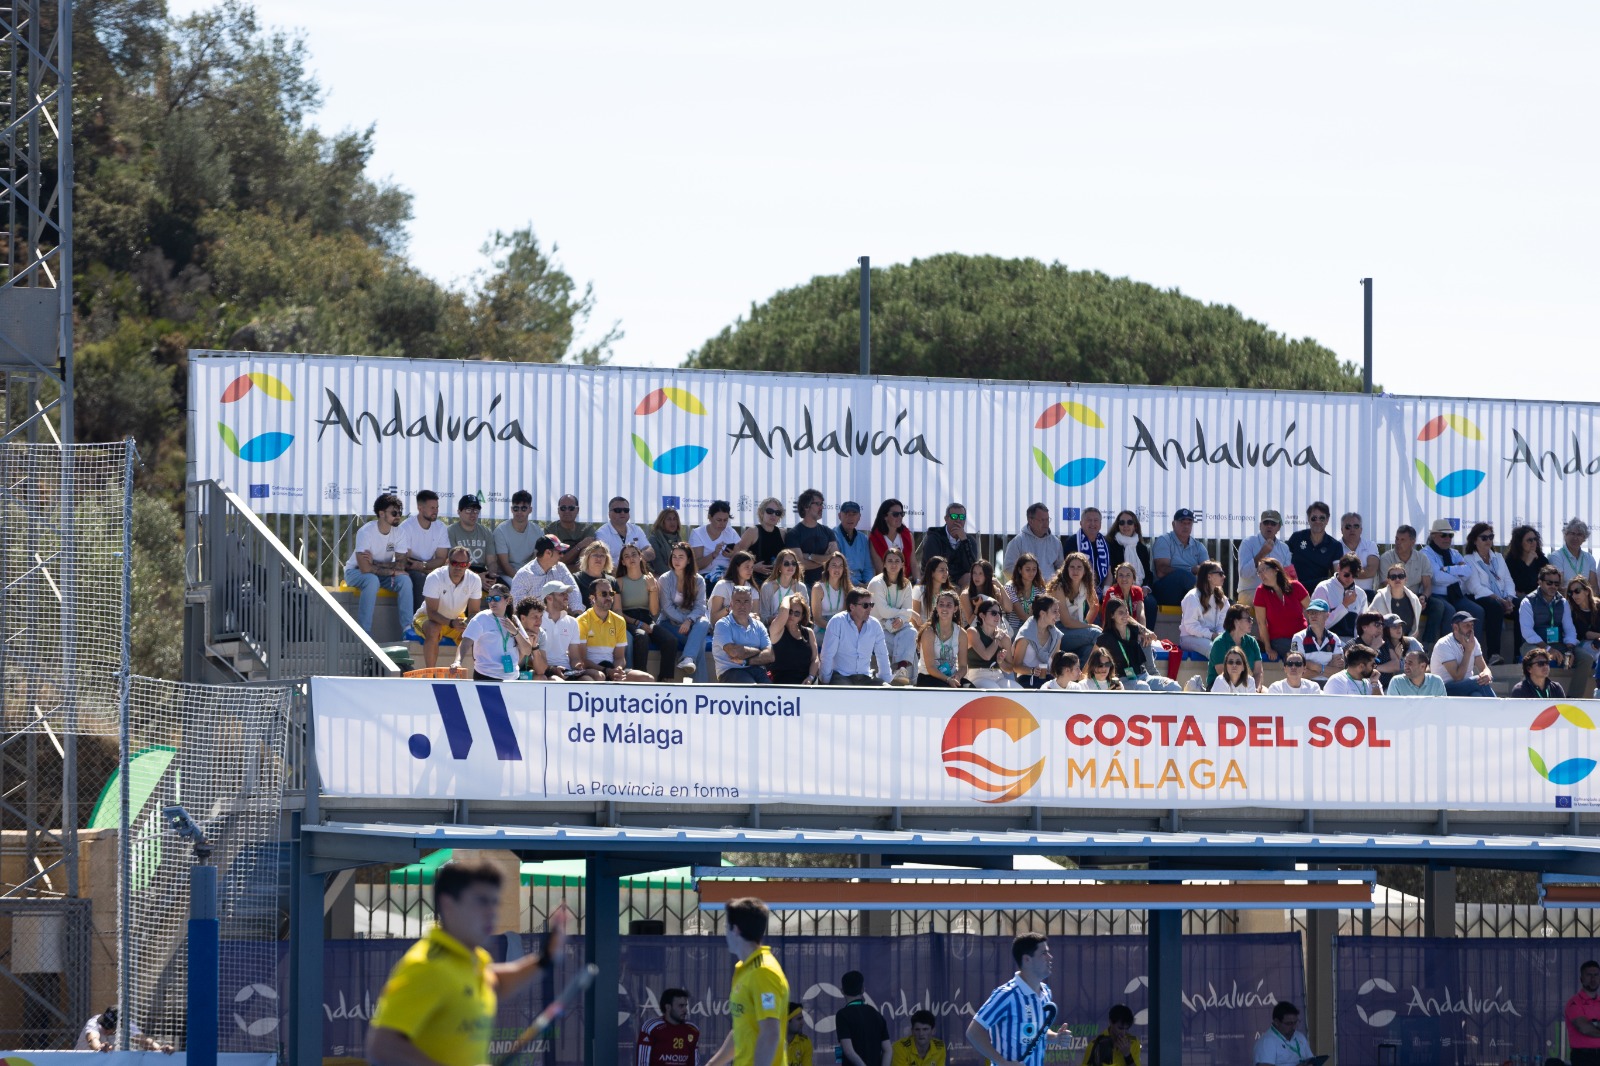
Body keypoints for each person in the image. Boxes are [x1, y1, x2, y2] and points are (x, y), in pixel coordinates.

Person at [367, 862, 563, 1066]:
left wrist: (545, 959)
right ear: (448, 905)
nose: (492, 912)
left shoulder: (472, 961)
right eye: (481, 901)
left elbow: (495, 984)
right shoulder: (425, 967)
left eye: (495, 902)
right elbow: (382, 1047)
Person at [705, 897, 788, 1066]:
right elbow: (743, 1030)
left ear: (735, 929)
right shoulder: (745, 970)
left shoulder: (763, 972)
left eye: (725, 928)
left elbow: (771, 1033)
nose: (725, 934)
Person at [966, 933, 1058, 1066]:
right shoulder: (1006, 995)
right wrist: (1001, 1062)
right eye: (1044, 953)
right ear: (1027, 959)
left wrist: (1055, 1037)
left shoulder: (1046, 992)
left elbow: (1036, 1030)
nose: (1050, 957)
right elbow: (973, 1032)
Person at [343, 493, 416, 636]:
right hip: (354, 572)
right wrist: (392, 570)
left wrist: (375, 563)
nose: (398, 516)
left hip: (378, 572)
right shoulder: (366, 532)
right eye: (394, 512)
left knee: (405, 580)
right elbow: (364, 568)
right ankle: (364, 632)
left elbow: (401, 565)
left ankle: (407, 629)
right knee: (371, 580)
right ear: (381, 513)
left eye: (399, 512)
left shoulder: (400, 532)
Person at [617, 543, 679, 681]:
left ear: (640, 557)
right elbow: (618, 612)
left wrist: (653, 589)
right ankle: (641, 678)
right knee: (641, 636)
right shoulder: (619, 582)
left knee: (670, 640)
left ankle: (665, 679)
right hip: (627, 619)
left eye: (634, 554)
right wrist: (637, 623)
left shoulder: (650, 580)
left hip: (646, 617)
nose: (631, 558)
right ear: (623, 562)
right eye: (626, 556)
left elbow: (654, 611)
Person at [1421, 520, 1487, 648]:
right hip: (1437, 595)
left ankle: (1473, 651)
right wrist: (1458, 575)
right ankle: (1448, 653)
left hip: (1456, 595)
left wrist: (1447, 569)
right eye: (1443, 535)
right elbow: (1437, 578)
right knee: (1450, 611)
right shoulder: (1426, 553)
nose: (1447, 539)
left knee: (1478, 611)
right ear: (1433, 536)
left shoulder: (1454, 553)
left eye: (1450, 535)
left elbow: (1468, 572)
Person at [412, 547, 483, 667]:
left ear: (468, 565)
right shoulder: (434, 577)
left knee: (474, 632)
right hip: (427, 617)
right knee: (434, 629)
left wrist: (466, 624)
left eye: (463, 564)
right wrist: (451, 623)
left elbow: (474, 612)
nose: (458, 567)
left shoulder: (475, 579)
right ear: (447, 562)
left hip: (456, 618)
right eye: (454, 563)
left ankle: (459, 666)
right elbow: (432, 613)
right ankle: (431, 674)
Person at [575, 579, 655, 682]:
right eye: (604, 594)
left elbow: (620, 658)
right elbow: (582, 660)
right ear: (592, 598)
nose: (609, 597)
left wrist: (618, 670)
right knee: (600, 676)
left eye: (611, 593)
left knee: (648, 679)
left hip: (611, 669)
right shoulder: (581, 621)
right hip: (591, 670)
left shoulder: (619, 621)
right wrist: (607, 671)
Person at [1378, 524, 1445, 646]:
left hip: (1415, 595)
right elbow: (1385, 585)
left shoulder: (1422, 558)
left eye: (1402, 540)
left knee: (1438, 606)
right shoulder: (1386, 558)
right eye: (1397, 539)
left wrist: (1424, 597)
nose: (1398, 543)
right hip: (1393, 595)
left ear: (1412, 542)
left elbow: (1428, 586)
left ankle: (1427, 645)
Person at [453, 583, 534, 682]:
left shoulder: (514, 620)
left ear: (507, 600)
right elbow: (465, 642)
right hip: (486, 676)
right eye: (489, 599)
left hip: (512, 678)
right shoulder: (481, 618)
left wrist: (515, 632)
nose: (492, 602)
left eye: (496, 598)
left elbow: (527, 651)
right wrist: (458, 661)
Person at [1097, 599, 1182, 692]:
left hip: (1143, 676)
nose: (1126, 615)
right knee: (1143, 688)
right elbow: (1093, 659)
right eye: (1121, 613)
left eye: (1126, 612)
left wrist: (1146, 633)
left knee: (1174, 686)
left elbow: (1152, 635)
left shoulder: (1135, 629)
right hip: (1123, 680)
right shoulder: (1105, 638)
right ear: (1112, 615)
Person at [1463, 522, 1518, 660]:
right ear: (1475, 541)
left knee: (1522, 605)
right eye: (1484, 538)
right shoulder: (1468, 559)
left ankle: (1519, 655)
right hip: (1479, 597)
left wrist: (1509, 600)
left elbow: (1508, 581)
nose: (1488, 540)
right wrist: (1501, 600)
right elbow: (1475, 587)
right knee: (1495, 607)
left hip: (1503, 597)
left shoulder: (1498, 557)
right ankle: (1494, 654)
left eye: (1491, 537)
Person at [660, 542, 711, 681]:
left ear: (688, 560)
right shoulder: (664, 579)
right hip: (668, 622)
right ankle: (702, 689)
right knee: (699, 642)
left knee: (704, 622)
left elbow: (700, 606)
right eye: (674, 556)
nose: (676, 560)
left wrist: (690, 621)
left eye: (681, 557)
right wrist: (686, 621)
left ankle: (688, 657)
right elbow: (667, 607)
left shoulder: (698, 580)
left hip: (690, 623)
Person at [870, 546, 920, 684]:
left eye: (897, 561)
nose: (893, 564)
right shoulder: (877, 583)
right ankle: (910, 679)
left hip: (898, 626)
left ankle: (902, 668)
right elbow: (884, 611)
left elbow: (907, 610)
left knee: (911, 632)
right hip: (879, 626)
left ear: (903, 564)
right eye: (890, 561)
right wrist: (906, 613)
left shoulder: (906, 584)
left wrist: (902, 618)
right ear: (884, 564)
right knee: (909, 646)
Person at [823, 587, 893, 686]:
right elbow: (827, 654)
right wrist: (825, 681)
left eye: (871, 605)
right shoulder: (837, 621)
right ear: (852, 607)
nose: (869, 609)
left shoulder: (875, 624)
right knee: (846, 694)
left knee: (888, 692)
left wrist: (886, 680)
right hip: (841, 676)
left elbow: (882, 654)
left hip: (866, 677)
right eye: (865, 605)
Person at [396, 490, 452, 607]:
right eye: (432, 508)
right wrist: (425, 567)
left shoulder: (441, 527)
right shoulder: (406, 527)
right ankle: (418, 621)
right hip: (410, 569)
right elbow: (407, 561)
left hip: (429, 567)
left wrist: (425, 566)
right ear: (420, 508)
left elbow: (442, 558)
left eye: (437, 507)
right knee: (420, 578)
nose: (436, 511)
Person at [1520, 564, 1578, 671]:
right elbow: (1527, 632)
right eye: (1549, 583)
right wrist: (1548, 649)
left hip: (1558, 644)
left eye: (1556, 584)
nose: (1553, 586)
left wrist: (1570, 650)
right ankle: (1536, 687)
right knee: (1540, 658)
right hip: (1534, 645)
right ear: (1540, 582)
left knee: (1585, 658)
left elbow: (1569, 629)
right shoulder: (1527, 602)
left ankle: (1575, 688)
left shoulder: (1563, 602)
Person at [714, 586, 775, 684]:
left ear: (751, 605)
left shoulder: (759, 625)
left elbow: (770, 656)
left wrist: (746, 661)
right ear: (731, 604)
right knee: (752, 690)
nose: (742, 605)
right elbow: (734, 652)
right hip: (731, 671)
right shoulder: (722, 624)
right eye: (738, 601)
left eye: (746, 601)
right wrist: (758, 651)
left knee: (771, 693)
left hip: (757, 669)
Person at [1047, 553, 1103, 657]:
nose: (1075, 571)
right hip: (1057, 632)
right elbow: (1067, 622)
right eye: (1072, 567)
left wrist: (1085, 623)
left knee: (1090, 648)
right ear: (1066, 569)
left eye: (1079, 567)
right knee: (1098, 635)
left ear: (1085, 571)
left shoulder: (1085, 585)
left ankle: (1082, 673)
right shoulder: (1058, 588)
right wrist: (1088, 626)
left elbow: (1094, 606)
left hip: (1076, 630)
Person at [1253, 559, 1309, 662]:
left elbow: (1312, 611)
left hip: (1302, 636)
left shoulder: (1296, 586)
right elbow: (1261, 623)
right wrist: (1268, 648)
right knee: (1297, 657)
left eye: (1264, 570)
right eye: (1259, 572)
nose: (1261, 574)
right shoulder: (1261, 592)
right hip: (1279, 640)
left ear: (1276, 570)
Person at [1430, 611, 1497, 697]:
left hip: (1467, 686)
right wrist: (1468, 651)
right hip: (1444, 688)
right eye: (1466, 625)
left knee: (1477, 696)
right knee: (1478, 681)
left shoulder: (1473, 641)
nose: (1471, 629)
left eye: (1472, 625)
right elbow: (1458, 677)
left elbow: (1484, 667)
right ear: (1455, 627)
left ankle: (1497, 708)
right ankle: (1499, 708)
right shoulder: (1444, 644)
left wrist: (1487, 674)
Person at [1150, 507, 1206, 608]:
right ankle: (1211, 600)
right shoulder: (1164, 540)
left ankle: (1218, 600)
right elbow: (1161, 571)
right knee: (1181, 575)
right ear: (1173, 524)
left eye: (1189, 523)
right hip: (1166, 592)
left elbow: (1207, 572)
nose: (1186, 526)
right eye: (1182, 522)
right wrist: (1191, 570)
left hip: (1189, 592)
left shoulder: (1199, 546)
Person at [539, 583, 595, 681]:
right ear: (549, 598)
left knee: (588, 680)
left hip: (566, 670)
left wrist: (577, 666)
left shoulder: (572, 622)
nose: (566, 597)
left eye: (566, 594)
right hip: (545, 670)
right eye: (562, 594)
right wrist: (552, 669)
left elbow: (574, 657)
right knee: (556, 680)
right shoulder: (537, 619)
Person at [836, 970, 891, 1066]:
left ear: (842, 991)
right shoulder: (876, 1014)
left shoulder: (842, 1015)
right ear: (863, 990)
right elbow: (888, 1050)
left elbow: (848, 1050)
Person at [917, 590, 970, 688]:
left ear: (955, 609)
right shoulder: (929, 632)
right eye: (941, 604)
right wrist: (948, 680)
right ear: (937, 607)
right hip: (928, 677)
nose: (944, 608)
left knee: (971, 689)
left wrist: (957, 676)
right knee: (948, 690)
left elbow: (963, 666)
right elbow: (930, 667)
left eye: (949, 605)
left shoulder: (961, 633)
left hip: (952, 677)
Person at [1237, 509, 1292, 601]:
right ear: (1260, 525)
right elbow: (1244, 574)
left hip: (1276, 593)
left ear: (1278, 527)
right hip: (1251, 592)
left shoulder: (1284, 548)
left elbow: (1287, 577)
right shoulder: (1248, 543)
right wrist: (1262, 553)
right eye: (1266, 523)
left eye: (1273, 523)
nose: (1269, 526)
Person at [1206, 604, 1265, 690]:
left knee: (1266, 694)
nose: (1251, 622)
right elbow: (1223, 674)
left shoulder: (1252, 642)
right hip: (1221, 688)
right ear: (1236, 621)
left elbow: (1258, 672)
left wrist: (1256, 690)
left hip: (1247, 686)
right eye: (1248, 619)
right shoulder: (1219, 643)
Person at [511, 535, 578, 610]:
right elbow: (518, 607)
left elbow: (574, 591)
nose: (562, 555)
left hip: (559, 618)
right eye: (560, 552)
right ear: (548, 553)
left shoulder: (561, 568)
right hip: (535, 620)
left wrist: (577, 612)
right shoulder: (523, 576)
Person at [638, 987, 702, 1066]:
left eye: (686, 1006)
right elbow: (643, 1062)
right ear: (668, 1007)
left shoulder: (692, 1030)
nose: (685, 1010)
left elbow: (695, 1063)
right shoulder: (652, 1027)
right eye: (681, 1006)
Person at [920, 503, 979, 588]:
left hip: (959, 578)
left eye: (962, 517)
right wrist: (952, 586)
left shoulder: (969, 541)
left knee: (970, 578)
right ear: (946, 519)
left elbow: (973, 568)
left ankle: (965, 600)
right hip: (936, 577)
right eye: (954, 516)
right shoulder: (934, 538)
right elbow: (933, 566)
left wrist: (964, 542)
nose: (958, 520)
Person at [785, 488, 837, 584]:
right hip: (803, 586)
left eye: (822, 504)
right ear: (806, 506)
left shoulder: (828, 532)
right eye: (817, 504)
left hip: (826, 584)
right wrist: (826, 559)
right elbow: (801, 565)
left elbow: (836, 561)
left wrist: (809, 556)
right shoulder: (793, 534)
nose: (821, 508)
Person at [1312, 553, 1368, 640]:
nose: (1350, 579)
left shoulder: (1361, 594)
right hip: (1326, 642)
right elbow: (1318, 625)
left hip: (1352, 644)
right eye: (1346, 574)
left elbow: (1362, 627)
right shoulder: (1323, 588)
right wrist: (1344, 605)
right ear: (1338, 568)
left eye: (1354, 575)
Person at [768, 593, 820, 685]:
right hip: (782, 685)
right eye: (790, 611)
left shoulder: (808, 632)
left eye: (797, 613)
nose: (792, 615)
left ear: (802, 617)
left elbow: (815, 658)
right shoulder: (777, 630)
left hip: (806, 684)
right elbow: (783, 610)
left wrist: (810, 677)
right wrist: (788, 597)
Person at [1179, 560, 1229, 656]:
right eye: (1220, 573)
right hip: (1190, 638)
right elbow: (1191, 626)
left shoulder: (1223, 599)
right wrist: (1212, 635)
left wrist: (1220, 636)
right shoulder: (1192, 597)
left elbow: (1222, 624)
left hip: (1211, 638)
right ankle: (1221, 671)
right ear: (1209, 576)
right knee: (1214, 650)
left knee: (1233, 650)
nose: (1224, 576)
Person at [1013, 596, 1064, 689]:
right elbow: (1016, 666)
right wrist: (1032, 671)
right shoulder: (1025, 635)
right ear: (1042, 613)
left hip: (1049, 679)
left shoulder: (1056, 635)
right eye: (1055, 611)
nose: (1058, 615)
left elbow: (1055, 664)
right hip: (1027, 679)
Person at [1287, 502, 1341, 589]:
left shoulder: (1335, 546)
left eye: (1322, 518)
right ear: (1308, 519)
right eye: (1314, 518)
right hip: (1295, 589)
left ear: (1327, 520)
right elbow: (1285, 564)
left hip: (1319, 591)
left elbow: (1337, 574)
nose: (1318, 521)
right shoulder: (1296, 537)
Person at [1290, 600, 1344, 684]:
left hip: (1329, 684)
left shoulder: (1334, 638)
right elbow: (1297, 671)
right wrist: (1326, 668)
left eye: (1317, 612)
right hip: (1305, 685)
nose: (1313, 615)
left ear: (1327, 615)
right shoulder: (1298, 637)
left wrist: (1313, 666)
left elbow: (1339, 671)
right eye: (1310, 612)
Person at [1005, 503, 1064, 580]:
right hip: (1026, 590)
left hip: (1050, 590)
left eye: (1047, 519)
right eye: (1042, 520)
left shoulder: (1056, 542)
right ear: (1030, 520)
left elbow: (1061, 569)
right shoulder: (1018, 542)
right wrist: (1025, 584)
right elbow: (1008, 568)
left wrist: (1054, 584)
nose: (1046, 523)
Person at [77, 1006, 172, 1053]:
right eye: (104, 1024)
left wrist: (159, 1048)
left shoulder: (127, 1025)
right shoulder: (93, 1022)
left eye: (109, 1027)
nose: (105, 1029)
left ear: (120, 1026)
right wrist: (99, 1047)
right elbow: (92, 1039)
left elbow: (144, 1041)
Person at [968, 597, 1017, 688]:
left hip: (998, 676)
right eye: (994, 613)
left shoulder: (1005, 638)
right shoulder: (973, 632)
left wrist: (1001, 662)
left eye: (1000, 614)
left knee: (1018, 692)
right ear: (982, 615)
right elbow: (986, 656)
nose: (998, 616)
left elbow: (1010, 669)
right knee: (995, 691)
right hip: (977, 676)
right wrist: (997, 639)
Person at [692, 500, 742, 586]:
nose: (722, 523)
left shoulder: (731, 532)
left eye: (725, 520)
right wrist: (714, 554)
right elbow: (696, 565)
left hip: (728, 574)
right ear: (710, 517)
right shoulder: (698, 533)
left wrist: (732, 556)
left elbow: (741, 558)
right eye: (719, 520)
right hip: (706, 576)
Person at [1370, 565, 1425, 644]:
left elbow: (1415, 628)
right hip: (1385, 642)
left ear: (1405, 579)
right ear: (1388, 580)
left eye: (1401, 576)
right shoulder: (1379, 598)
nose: (1397, 579)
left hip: (1408, 641)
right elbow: (1371, 622)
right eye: (1393, 577)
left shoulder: (1414, 599)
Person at [447, 494, 497, 579]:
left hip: (482, 572)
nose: (473, 514)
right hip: (459, 571)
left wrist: (491, 576)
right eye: (468, 510)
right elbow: (453, 562)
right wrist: (477, 578)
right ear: (459, 512)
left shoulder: (486, 532)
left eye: (476, 510)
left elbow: (491, 561)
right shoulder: (450, 531)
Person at [1107, 511, 1153, 603]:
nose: (1125, 525)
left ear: (1135, 526)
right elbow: (1110, 572)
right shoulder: (1110, 545)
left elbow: (1148, 573)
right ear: (1118, 526)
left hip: (1139, 588)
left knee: (1150, 603)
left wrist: (1146, 588)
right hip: (1117, 588)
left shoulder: (1142, 548)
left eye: (1129, 522)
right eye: (1122, 522)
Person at [597, 496, 656, 568]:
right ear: (609, 514)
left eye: (626, 510)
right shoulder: (602, 533)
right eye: (618, 510)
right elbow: (601, 561)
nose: (622, 513)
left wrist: (638, 558)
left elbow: (650, 551)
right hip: (613, 575)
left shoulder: (636, 529)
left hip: (637, 572)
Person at [737, 496, 788, 579]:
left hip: (776, 580)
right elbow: (737, 557)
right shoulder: (752, 532)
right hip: (754, 580)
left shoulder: (782, 533)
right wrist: (753, 567)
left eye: (777, 513)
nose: (773, 515)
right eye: (770, 511)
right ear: (761, 512)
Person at [495, 490, 543, 576]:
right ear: (511, 510)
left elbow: (539, 560)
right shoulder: (501, 531)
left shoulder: (538, 531)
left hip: (531, 575)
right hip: (506, 575)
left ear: (530, 510)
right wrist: (522, 581)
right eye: (516, 508)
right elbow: (504, 565)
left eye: (524, 508)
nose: (519, 512)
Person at [1252, 1001, 1314, 1066]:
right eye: (1289, 1023)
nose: (1294, 1027)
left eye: (1295, 1022)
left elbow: (1311, 1060)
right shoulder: (1267, 1042)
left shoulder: (1300, 1037)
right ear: (1276, 1022)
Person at [546, 493, 598, 569]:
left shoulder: (587, 529)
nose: (567, 511)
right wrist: (579, 546)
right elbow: (555, 562)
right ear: (558, 510)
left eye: (571, 508)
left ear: (577, 510)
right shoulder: (550, 530)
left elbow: (586, 561)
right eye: (563, 508)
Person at [811, 551, 853, 646]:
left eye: (840, 566)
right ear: (828, 568)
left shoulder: (847, 588)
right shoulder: (818, 588)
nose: (837, 569)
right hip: (822, 629)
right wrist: (835, 629)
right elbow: (817, 619)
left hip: (842, 629)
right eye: (834, 565)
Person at [1568, 577, 1600, 698]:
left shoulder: (1598, 605)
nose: (1574, 595)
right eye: (1571, 592)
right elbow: (1586, 634)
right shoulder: (1573, 611)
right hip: (1582, 644)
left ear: (1587, 591)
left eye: (1577, 591)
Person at [1564, 958, 1600, 1066]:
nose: (1593, 979)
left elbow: (1589, 1027)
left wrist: (1593, 1025)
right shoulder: (1574, 1003)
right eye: (1589, 975)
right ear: (1581, 979)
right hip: (1583, 1057)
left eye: (1596, 975)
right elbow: (1584, 1028)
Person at [870, 499, 916, 580]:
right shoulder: (875, 538)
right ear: (885, 516)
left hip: (905, 581)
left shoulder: (908, 535)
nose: (899, 517)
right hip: (884, 582)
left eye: (901, 514)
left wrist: (918, 583)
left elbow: (913, 564)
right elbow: (879, 568)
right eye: (895, 514)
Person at [1373, 613, 1421, 690]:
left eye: (1400, 626)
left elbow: (1423, 665)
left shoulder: (1412, 642)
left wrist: (1400, 660)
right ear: (1385, 629)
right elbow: (1391, 674)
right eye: (1394, 627)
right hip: (1392, 687)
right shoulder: (1382, 647)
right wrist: (1397, 660)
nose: (1398, 629)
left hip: (1414, 684)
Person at [1067, 507, 1112, 590]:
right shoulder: (1072, 542)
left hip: (1101, 590)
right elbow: (1068, 570)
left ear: (1100, 524)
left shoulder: (1105, 543)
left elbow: (1109, 573)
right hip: (1079, 589)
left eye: (1096, 520)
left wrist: (1106, 590)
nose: (1092, 523)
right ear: (1081, 523)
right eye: (1089, 520)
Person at [760, 550, 809, 625]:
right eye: (786, 563)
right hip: (774, 627)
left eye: (793, 563)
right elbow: (763, 616)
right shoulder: (767, 587)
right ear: (779, 567)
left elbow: (806, 614)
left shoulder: (801, 587)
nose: (791, 566)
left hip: (794, 627)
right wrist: (780, 619)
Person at [1337, 512, 1381, 592]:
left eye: (1356, 526)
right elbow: (1337, 573)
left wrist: (1346, 572)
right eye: (1348, 527)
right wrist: (1362, 571)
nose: (1352, 529)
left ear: (1361, 529)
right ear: (1341, 530)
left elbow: (1371, 571)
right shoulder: (1335, 546)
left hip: (1367, 595)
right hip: (1341, 595)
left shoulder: (1370, 545)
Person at [712, 552, 758, 627]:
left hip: (746, 628)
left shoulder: (753, 589)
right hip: (725, 627)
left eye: (752, 567)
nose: (750, 570)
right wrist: (729, 608)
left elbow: (757, 616)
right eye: (747, 567)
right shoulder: (722, 586)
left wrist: (754, 617)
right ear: (737, 567)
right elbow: (713, 620)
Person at [963, 559, 1013, 628]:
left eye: (980, 573)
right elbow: (971, 622)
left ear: (987, 576)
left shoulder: (994, 591)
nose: (976, 577)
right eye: (974, 573)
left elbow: (1009, 609)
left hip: (991, 630)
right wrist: (977, 607)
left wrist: (1001, 587)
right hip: (973, 631)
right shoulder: (965, 595)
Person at [1553, 518, 1600, 590]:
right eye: (1572, 533)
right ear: (1565, 535)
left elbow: (1594, 587)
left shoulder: (1589, 558)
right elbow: (1558, 587)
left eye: (1579, 534)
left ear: (1584, 538)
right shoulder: (1556, 556)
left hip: (1586, 600)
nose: (1575, 538)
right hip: (1565, 600)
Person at [1006, 553, 1048, 634]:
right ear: (1019, 570)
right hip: (1013, 631)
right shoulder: (1010, 588)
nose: (1031, 573)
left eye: (1034, 569)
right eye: (1028, 569)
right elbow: (1022, 616)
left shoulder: (1040, 589)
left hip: (1034, 629)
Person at [835, 501, 874, 586]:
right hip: (840, 583)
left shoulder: (863, 538)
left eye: (854, 514)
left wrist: (868, 584)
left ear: (859, 517)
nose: (850, 517)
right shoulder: (833, 535)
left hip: (862, 585)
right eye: (846, 513)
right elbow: (837, 567)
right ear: (839, 516)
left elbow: (868, 567)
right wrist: (858, 585)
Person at [1100, 561, 1147, 628]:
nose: (1124, 578)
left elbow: (1141, 613)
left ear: (1133, 579)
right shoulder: (1112, 593)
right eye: (1121, 575)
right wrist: (1142, 629)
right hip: (1115, 629)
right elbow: (1122, 617)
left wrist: (1144, 631)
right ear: (1117, 578)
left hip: (1133, 628)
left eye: (1128, 575)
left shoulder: (1138, 591)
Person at [575, 541, 616, 609]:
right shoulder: (576, 579)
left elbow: (617, 609)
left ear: (607, 559)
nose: (599, 558)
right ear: (587, 557)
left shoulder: (612, 581)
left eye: (602, 555)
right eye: (595, 555)